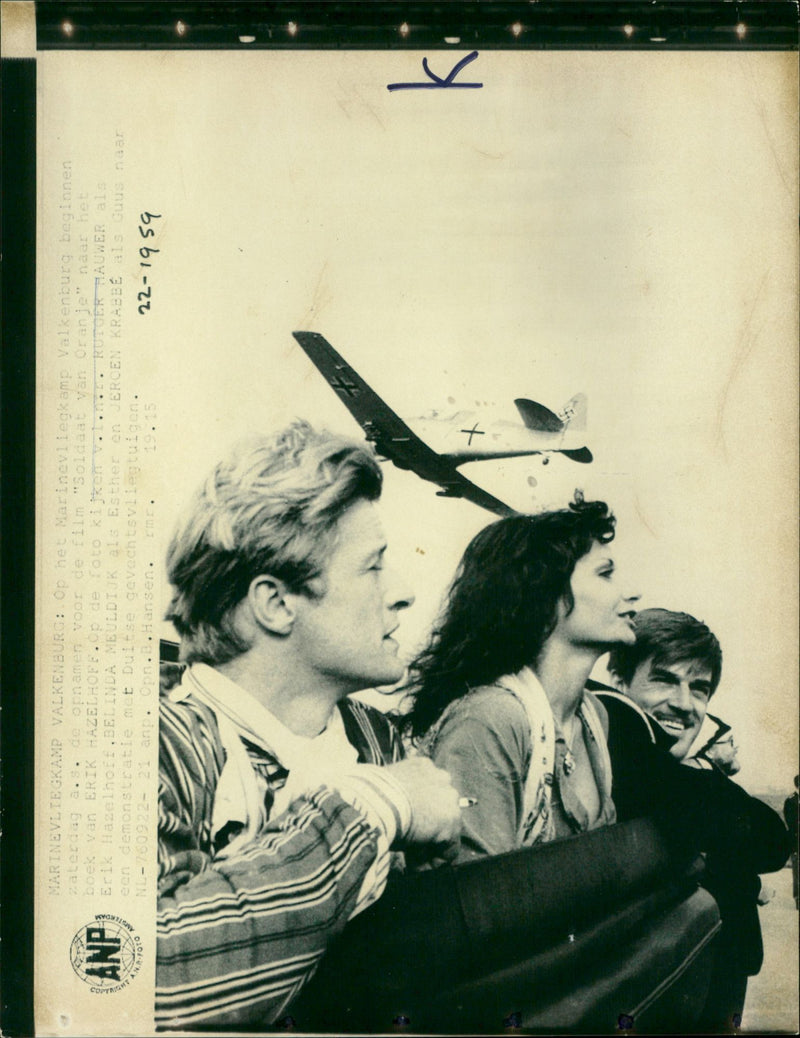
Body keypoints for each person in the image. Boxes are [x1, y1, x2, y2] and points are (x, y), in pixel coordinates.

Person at [155, 421, 462, 1030]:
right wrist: (373, 804)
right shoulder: (162, 747)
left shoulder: (380, 741)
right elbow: (135, 983)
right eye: (372, 567)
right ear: (276, 603)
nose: (401, 594)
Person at [401, 494, 640, 861]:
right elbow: (478, 899)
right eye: (605, 573)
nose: (631, 592)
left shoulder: (593, 718)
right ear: (547, 595)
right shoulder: (490, 718)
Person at [603, 607, 789, 1031]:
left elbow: (772, 841)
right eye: (664, 679)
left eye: (699, 688)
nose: (684, 704)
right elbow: (765, 837)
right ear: (618, 682)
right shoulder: (622, 762)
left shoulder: (683, 780)